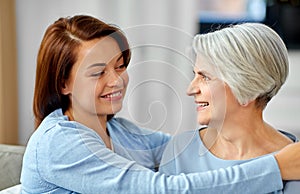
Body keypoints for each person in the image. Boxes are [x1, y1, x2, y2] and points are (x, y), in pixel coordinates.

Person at [20, 15, 300, 193]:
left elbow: (192, 151)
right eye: (98, 73)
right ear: (63, 84)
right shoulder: (59, 143)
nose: (116, 81)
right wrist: (276, 166)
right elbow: (162, 190)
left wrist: (269, 142)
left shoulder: (122, 133)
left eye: (119, 67)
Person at [159, 23, 300, 193]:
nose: (190, 89)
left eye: (205, 77)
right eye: (194, 75)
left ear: (247, 88)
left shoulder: (295, 163)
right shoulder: (180, 150)